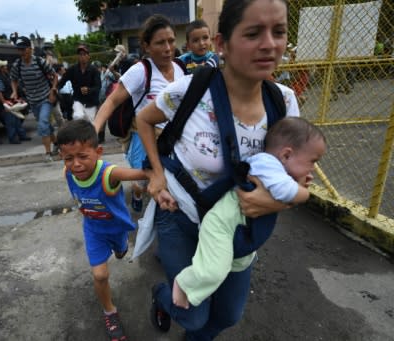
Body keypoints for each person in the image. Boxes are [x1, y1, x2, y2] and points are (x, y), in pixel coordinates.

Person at [135, 1, 299, 339]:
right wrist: (155, 174)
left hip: (236, 229)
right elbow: (144, 119)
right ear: (222, 44)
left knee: (227, 314)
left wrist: (277, 202)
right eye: (253, 33)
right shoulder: (191, 89)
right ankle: (162, 296)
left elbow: (296, 172)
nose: (270, 44)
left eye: (279, 32)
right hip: (181, 214)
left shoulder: (283, 102)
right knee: (192, 315)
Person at [171, 117, 326, 310]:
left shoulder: (277, 169)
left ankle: (205, 287)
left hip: (240, 225)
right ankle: (184, 282)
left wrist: (297, 182)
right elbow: (287, 192)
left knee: (238, 263)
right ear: (286, 155)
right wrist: (305, 193)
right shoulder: (268, 164)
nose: (313, 169)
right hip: (221, 224)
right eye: (312, 162)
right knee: (214, 271)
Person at [56, 119, 148, 341]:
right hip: (93, 230)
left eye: (82, 157)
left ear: (98, 152)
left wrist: (158, 175)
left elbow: (141, 173)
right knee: (100, 274)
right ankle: (110, 311)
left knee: (120, 251)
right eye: (69, 158)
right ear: (62, 156)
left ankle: (122, 245)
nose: (76, 164)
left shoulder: (109, 173)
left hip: (116, 228)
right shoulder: (68, 173)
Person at [94, 14, 187, 213]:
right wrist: (93, 131)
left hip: (172, 139)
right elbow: (112, 100)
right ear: (146, 46)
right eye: (160, 43)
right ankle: (136, 194)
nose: (168, 48)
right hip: (144, 139)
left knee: (168, 183)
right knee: (142, 181)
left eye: (171, 41)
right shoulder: (141, 71)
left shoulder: (180, 67)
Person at [10, 36, 59, 162]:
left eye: (23, 49)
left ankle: (48, 153)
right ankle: (57, 143)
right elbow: (13, 79)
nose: (21, 52)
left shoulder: (39, 61)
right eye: (19, 50)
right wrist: (14, 92)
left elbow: (54, 76)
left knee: (42, 124)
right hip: (33, 101)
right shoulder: (18, 65)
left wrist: (53, 90)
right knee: (46, 125)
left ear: (30, 49)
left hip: (46, 98)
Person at [57, 44, 101, 123]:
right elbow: (62, 81)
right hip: (78, 100)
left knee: (90, 124)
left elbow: (98, 87)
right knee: (78, 116)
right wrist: (57, 89)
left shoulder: (94, 70)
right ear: (78, 56)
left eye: (84, 54)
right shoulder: (72, 69)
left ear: (88, 56)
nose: (82, 57)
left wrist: (89, 90)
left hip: (91, 103)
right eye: (80, 54)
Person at [0, 59, 31, 144]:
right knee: (10, 121)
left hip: (12, 102)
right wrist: (4, 102)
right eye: (4, 66)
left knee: (16, 119)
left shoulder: (6, 76)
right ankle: (13, 138)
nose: (6, 67)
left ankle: (22, 136)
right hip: (8, 104)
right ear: (1, 68)